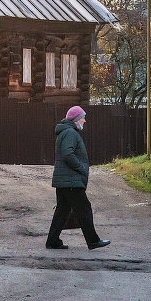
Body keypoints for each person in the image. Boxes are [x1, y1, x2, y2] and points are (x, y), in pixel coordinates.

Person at [45, 106, 110, 251]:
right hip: (71, 181)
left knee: (62, 211)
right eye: (83, 118)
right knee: (84, 208)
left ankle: (52, 241)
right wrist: (81, 167)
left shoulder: (66, 132)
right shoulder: (70, 133)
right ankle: (93, 241)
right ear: (76, 120)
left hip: (65, 180)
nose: (85, 121)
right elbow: (68, 154)